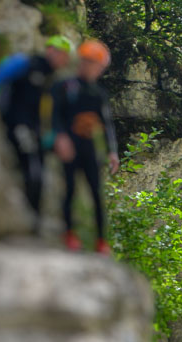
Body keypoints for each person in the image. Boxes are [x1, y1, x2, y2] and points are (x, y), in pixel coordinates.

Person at [0, 35, 73, 231]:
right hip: (16, 124)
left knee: (39, 171)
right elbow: (1, 75)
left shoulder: (51, 79)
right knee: (33, 170)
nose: (63, 60)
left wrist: (51, 134)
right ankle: (28, 221)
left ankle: (34, 221)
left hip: (34, 130)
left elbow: (48, 110)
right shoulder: (28, 63)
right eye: (61, 54)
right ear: (50, 51)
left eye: (66, 57)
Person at [51, 39, 120, 254]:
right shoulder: (65, 85)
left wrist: (112, 151)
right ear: (83, 62)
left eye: (99, 68)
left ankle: (101, 241)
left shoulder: (98, 94)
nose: (95, 71)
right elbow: (54, 115)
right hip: (70, 145)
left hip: (88, 147)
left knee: (96, 194)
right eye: (92, 64)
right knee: (69, 189)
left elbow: (107, 123)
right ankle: (69, 234)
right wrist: (60, 137)